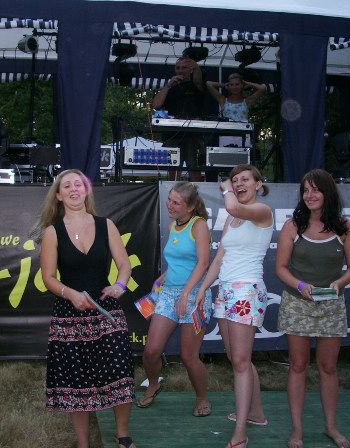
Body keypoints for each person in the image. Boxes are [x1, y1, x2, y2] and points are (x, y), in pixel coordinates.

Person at [33, 169, 136, 448]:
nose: (74, 189)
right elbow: (48, 278)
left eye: (78, 184)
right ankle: (83, 443)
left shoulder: (106, 225)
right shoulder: (52, 232)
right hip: (69, 316)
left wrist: (120, 286)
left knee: (120, 371)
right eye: (67, 186)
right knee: (75, 382)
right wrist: (71, 294)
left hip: (107, 312)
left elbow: (124, 265)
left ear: (86, 190)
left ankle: (123, 435)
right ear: (58, 195)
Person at [275, 169, 350, 448]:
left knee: (328, 367)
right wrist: (300, 286)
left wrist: (338, 284)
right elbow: (281, 268)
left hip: (332, 305)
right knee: (298, 365)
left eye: (315, 189)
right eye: (305, 190)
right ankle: (297, 430)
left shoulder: (346, 227)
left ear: (328, 192)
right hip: (297, 303)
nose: (309, 195)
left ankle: (331, 427)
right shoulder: (293, 226)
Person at [196, 165, 273, 448]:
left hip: (247, 290)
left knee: (240, 361)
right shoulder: (232, 217)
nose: (239, 184)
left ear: (258, 184)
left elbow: (234, 206)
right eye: (235, 180)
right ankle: (256, 413)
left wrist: (227, 187)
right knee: (236, 358)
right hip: (226, 290)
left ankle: (240, 432)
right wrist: (203, 288)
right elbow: (219, 258)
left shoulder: (262, 211)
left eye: (244, 180)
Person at [138, 181, 212, 417]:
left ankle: (202, 397)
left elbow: (203, 263)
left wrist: (187, 294)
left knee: (189, 356)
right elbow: (178, 263)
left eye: (176, 202)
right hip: (169, 294)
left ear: (190, 207)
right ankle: (153, 384)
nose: (169, 205)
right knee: (151, 350)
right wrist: (161, 279)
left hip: (195, 296)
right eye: (169, 199)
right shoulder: (173, 226)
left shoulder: (199, 225)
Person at [152, 56, 213, 182]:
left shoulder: (197, 85)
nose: (180, 70)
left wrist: (194, 64)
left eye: (184, 68)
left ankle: (196, 193)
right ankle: (173, 192)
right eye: (178, 68)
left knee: (194, 169)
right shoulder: (170, 87)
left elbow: (198, 79)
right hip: (172, 135)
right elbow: (156, 105)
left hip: (193, 135)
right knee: (173, 171)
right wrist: (168, 85)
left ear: (191, 70)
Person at [206, 73, 266, 149]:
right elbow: (208, 84)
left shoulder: (247, 101)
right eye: (231, 84)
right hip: (226, 136)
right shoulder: (223, 100)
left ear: (242, 85)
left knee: (244, 156)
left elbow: (262, 88)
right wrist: (223, 85)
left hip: (243, 135)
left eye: (237, 84)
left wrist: (248, 83)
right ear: (229, 86)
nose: (234, 87)